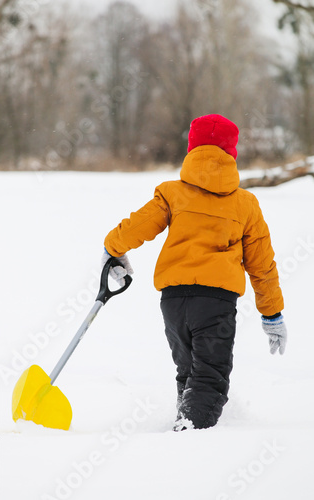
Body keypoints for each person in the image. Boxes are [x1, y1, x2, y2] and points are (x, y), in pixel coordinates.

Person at [101, 114, 287, 431]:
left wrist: (113, 248)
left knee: (189, 370)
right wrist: (272, 313)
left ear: (191, 150)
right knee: (210, 374)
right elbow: (262, 264)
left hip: (173, 301)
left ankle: (184, 424)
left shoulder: (172, 193)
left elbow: (139, 225)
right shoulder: (245, 203)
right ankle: (191, 433)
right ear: (232, 155)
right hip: (215, 303)